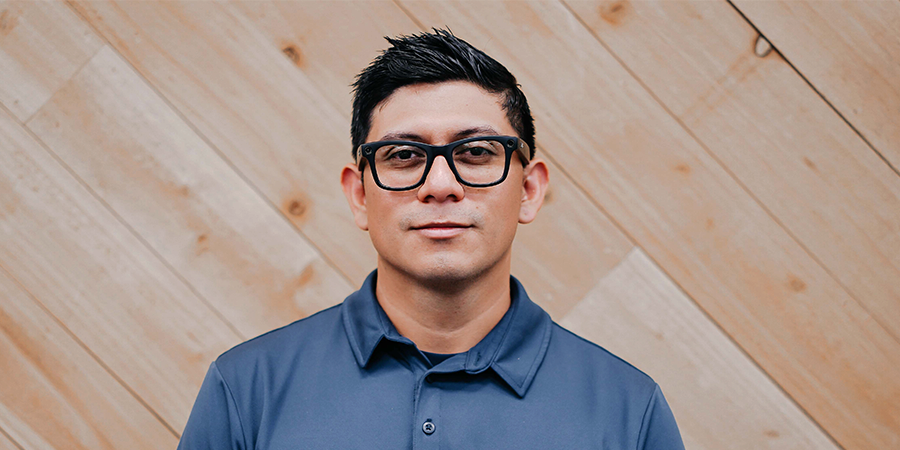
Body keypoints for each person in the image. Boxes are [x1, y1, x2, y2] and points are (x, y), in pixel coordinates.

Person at [178, 29, 684, 449]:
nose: (440, 185)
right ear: (359, 196)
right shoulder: (245, 391)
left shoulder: (629, 411)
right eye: (403, 155)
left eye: (477, 153)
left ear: (529, 189)